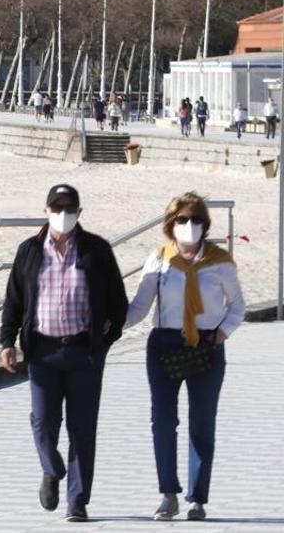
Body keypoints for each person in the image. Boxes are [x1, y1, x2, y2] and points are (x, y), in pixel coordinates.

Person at [0, 184, 128, 523]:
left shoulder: (96, 249)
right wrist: (7, 342)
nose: (63, 215)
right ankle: (51, 469)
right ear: (46, 211)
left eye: (69, 209)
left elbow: (118, 301)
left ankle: (78, 500)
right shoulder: (29, 251)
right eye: (57, 208)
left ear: (79, 213)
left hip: (84, 352)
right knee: (43, 422)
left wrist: (106, 337)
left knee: (82, 428)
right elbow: (13, 299)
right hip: (42, 350)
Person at [123, 193, 244, 522]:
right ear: (170, 224)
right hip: (164, 344)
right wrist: (107, 323)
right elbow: (139, 308)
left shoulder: (220, 261)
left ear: (205, 225)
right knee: (163, 421)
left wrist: (221, 333)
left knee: (202, 423)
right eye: (182, 220)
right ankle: (168, 494)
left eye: (195, 220)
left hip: (206, 346)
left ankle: (197, 499)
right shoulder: (159, 259)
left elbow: (237, 306)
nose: (189, 226)